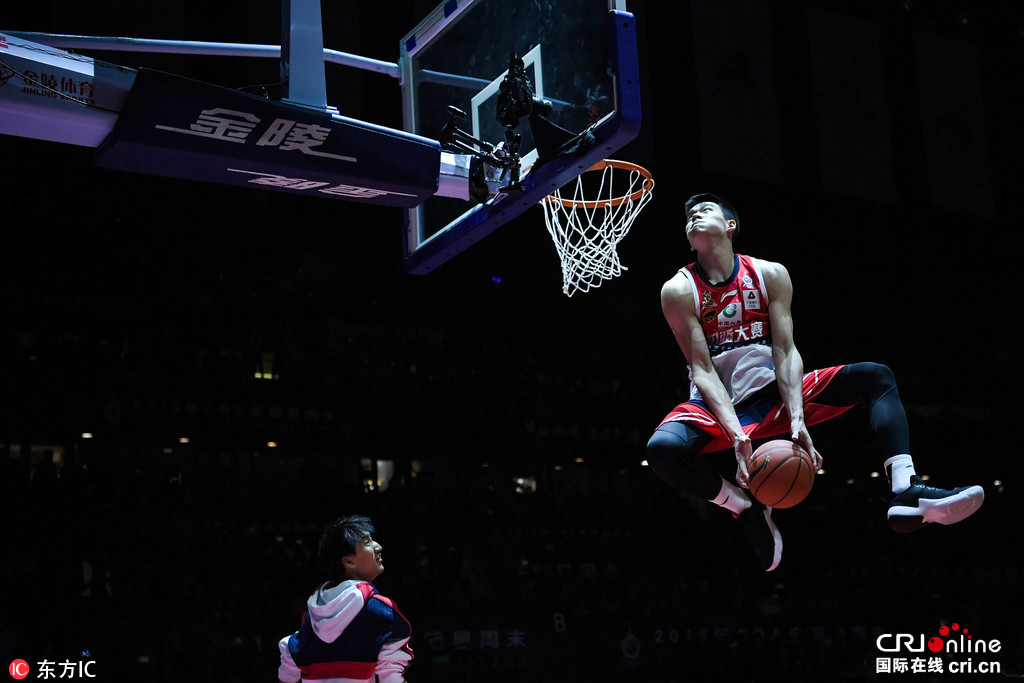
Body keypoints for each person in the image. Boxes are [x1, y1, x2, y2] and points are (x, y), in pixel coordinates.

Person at [646, 193, 984, 572]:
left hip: (775, 394)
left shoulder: (769, 274)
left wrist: (796, 419)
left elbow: (785, 351)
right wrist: (737, 435)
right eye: (688, 217)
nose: (693, 217)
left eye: (704, 211)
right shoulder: (678, 289)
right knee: (661, 450)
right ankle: (744, 506)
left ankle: (905, 490)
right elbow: (703, 369)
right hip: (717, 406)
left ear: (730, 226)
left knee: (875, 375)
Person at [278, 515, 413, 683]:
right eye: (368, 543)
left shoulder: (312, 615)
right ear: (348, 561)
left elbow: (287, 671)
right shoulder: (381, 611)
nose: (378, 547)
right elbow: (391, 677)